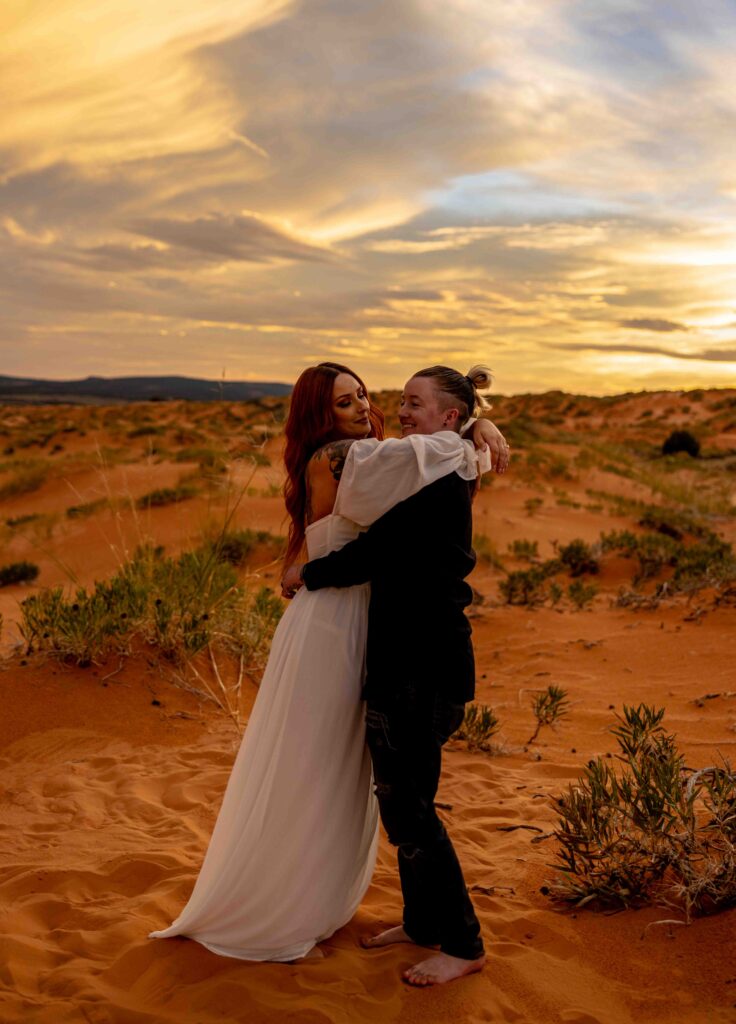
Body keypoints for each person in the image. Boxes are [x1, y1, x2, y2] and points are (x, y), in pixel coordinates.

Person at [149, 362, 508, 963]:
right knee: (343, 773)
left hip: (398, 643)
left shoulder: (397, 462)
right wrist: (474, 429)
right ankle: (385, 914)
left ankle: (445, 934)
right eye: (347, 402)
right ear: (321, 415)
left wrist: (479, 424)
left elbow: (417, 481)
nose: (372, 408)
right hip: (344, 629)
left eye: (368, 394)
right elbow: (403, 495)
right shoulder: (349, 461)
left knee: (395, 795)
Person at [282, 366, 499, 985]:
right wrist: (483, 424)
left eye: (414, 403)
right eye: (398, 400)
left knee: (411, 810)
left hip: (420, 666)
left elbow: (378, 554)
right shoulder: (434, 465)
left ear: (449, 419)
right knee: (404, 803)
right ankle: (424, 923)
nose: (398, 411)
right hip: (415, 660)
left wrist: (308, 574)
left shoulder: (434, 476)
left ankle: (462, 943)